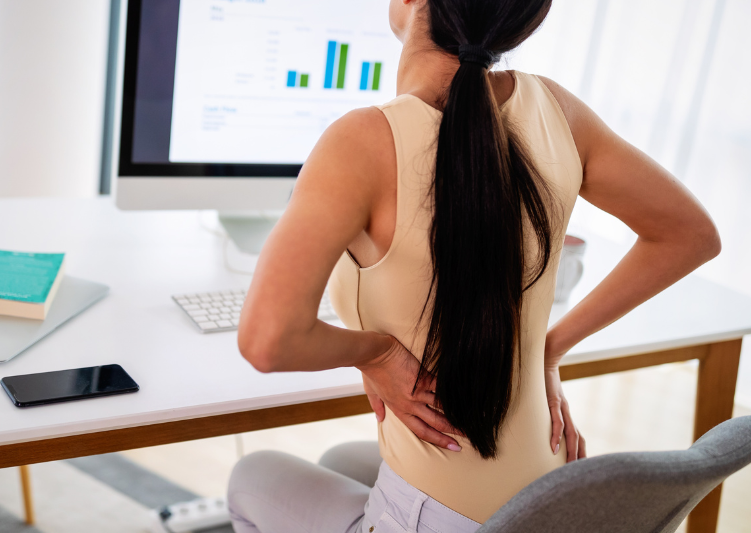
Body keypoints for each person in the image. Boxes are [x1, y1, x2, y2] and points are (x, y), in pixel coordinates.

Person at [228, 0, 721, 531]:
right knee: (342, 465)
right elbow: (690, 235)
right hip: (548, 503)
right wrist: (545, 351)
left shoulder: (363, 140)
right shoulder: (557, 110)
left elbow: (268, 340)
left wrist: (376, 353)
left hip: (444, 520)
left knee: (251, 476)